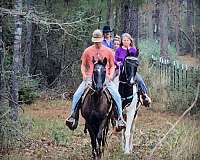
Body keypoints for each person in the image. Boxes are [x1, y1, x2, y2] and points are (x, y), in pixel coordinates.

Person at [65, 29, 126, 131]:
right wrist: (84, 74)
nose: (97, 43)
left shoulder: (108, 51)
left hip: (105, 78)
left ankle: (119, 118)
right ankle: (73, 117)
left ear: (102, 40)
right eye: (95, 41)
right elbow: (83, 65)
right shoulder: (87, 51)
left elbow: (112, 66)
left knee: (117, 96)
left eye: (98, 41)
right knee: (77, 95)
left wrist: (110, 75)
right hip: (90, 78)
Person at [115, 33, 151, 106]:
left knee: (139, 79)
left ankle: (144, 95)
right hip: (119, 69)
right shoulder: (119, 49)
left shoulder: (133, 50)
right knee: (111, 79)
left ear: (130, 41)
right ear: (122, 41)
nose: (126, 41)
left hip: (130, 70)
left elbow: (135, 60)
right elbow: (114, 59)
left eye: (127, 40)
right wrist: (117, 63)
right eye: (124, 40)